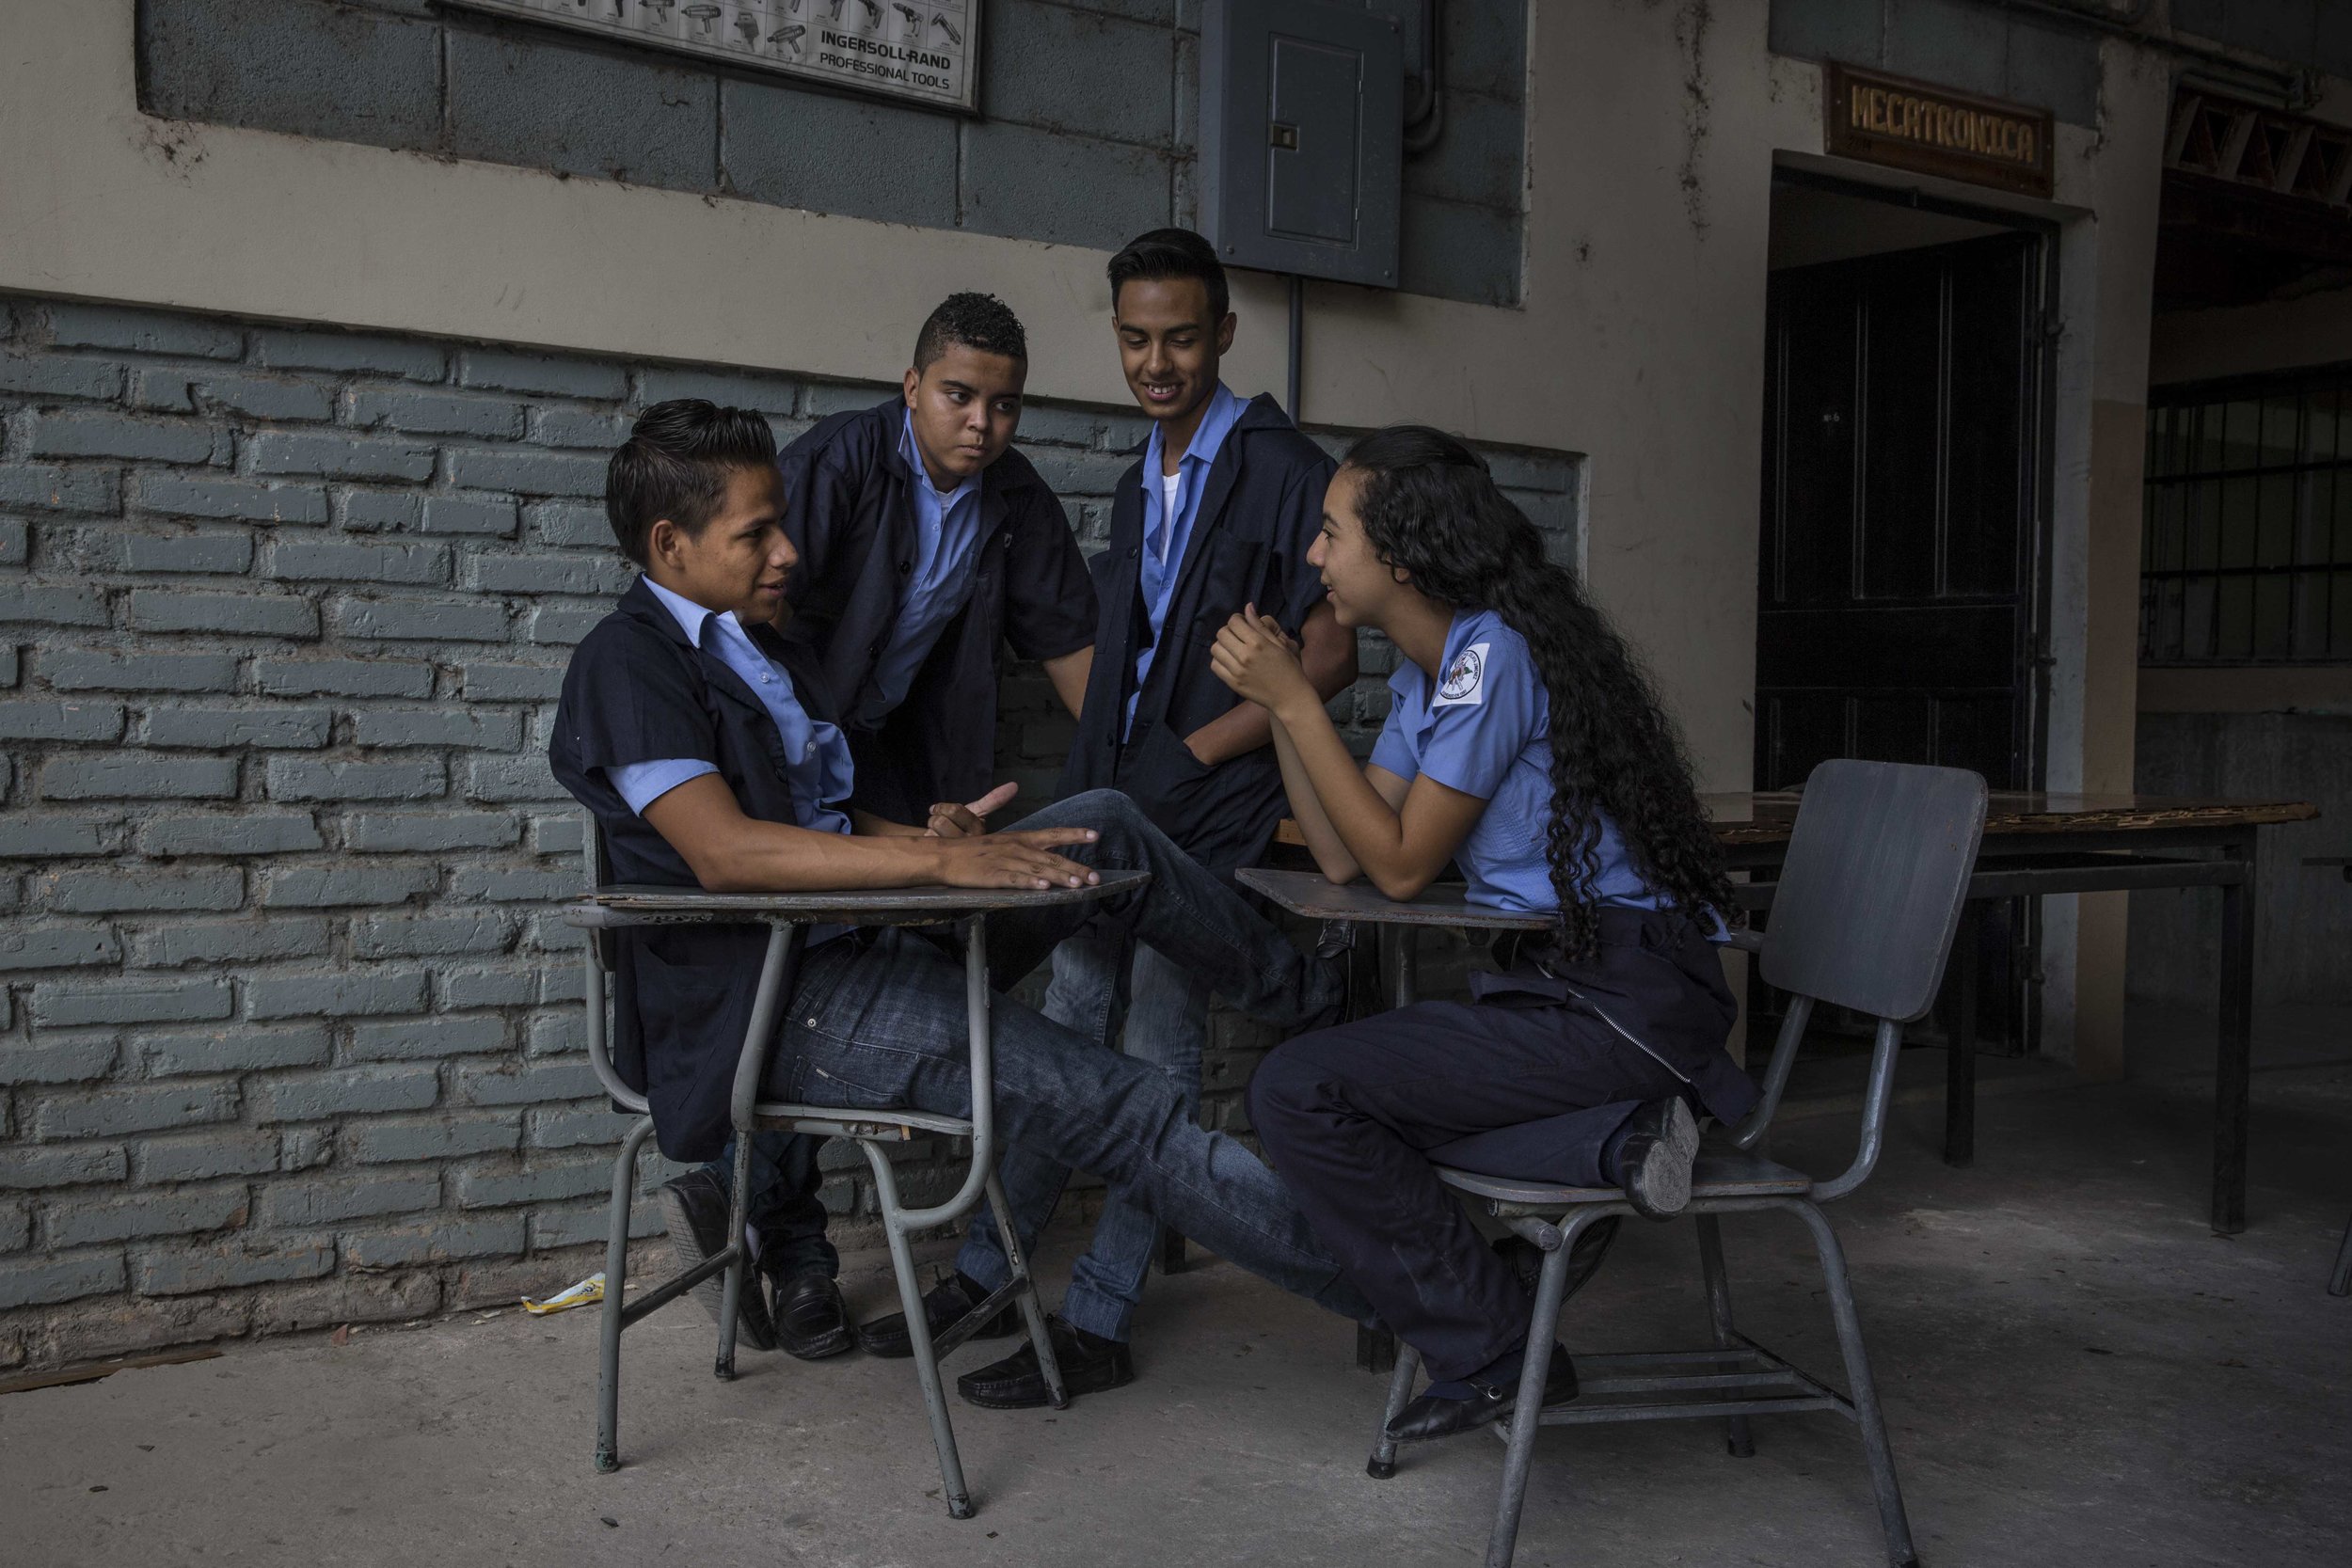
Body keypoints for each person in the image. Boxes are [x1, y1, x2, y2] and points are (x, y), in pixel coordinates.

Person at [548, 399, 1374, 1395]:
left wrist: (934, 838)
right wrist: (938, 870)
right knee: (1122, 1104)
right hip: (781, 1000)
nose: (788, 552)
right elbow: (725, 854)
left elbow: (825, 826)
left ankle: (1312, 998)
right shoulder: (627, 661)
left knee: (1102, 819)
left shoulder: (759, 648)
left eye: (782, 522)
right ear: (668, 544)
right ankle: (1417, 1282)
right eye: (755, 533)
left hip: (862, 938)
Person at [884, 228, 1359, 1409]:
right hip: (1119, 792)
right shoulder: (1133, 472)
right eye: (1137, 338)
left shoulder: (1286, 464)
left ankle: (1098, 1313)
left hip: (1209, 809)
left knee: (1152, 1048)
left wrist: (1198, 746)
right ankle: (992, 1267)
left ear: (1224, 335)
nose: (1158, 361)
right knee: (1069, 1028)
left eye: (1182, 337)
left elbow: (1333, 652)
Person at [1206, 426, 1754, 1446]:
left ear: (1401, 556)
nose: (1316, 556)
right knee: (1359, 1101)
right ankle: (1624, 1137)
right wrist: (1291, 707)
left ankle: (1498, 1348)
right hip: (1572, 991)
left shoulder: (1493, 654)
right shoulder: (1431, 673)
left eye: (1332, 534)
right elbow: (1340, 853)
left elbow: (1405, 863)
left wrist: (1292, 699)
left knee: (1299, 1089)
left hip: (1622, 995)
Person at [651, 294, 1096, 1364]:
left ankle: (736, 1182)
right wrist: (795, 770)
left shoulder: (1013, 499)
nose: (980, 423)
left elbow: (1072, 650)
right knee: (793, 962)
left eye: (1003, 403)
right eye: (957, 395)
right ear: (912, 389)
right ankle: (798, 1255)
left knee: (889, 953)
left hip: (893, 751)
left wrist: (1124, 787)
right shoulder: (838, 464)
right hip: (789, 743)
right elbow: (747, 605)